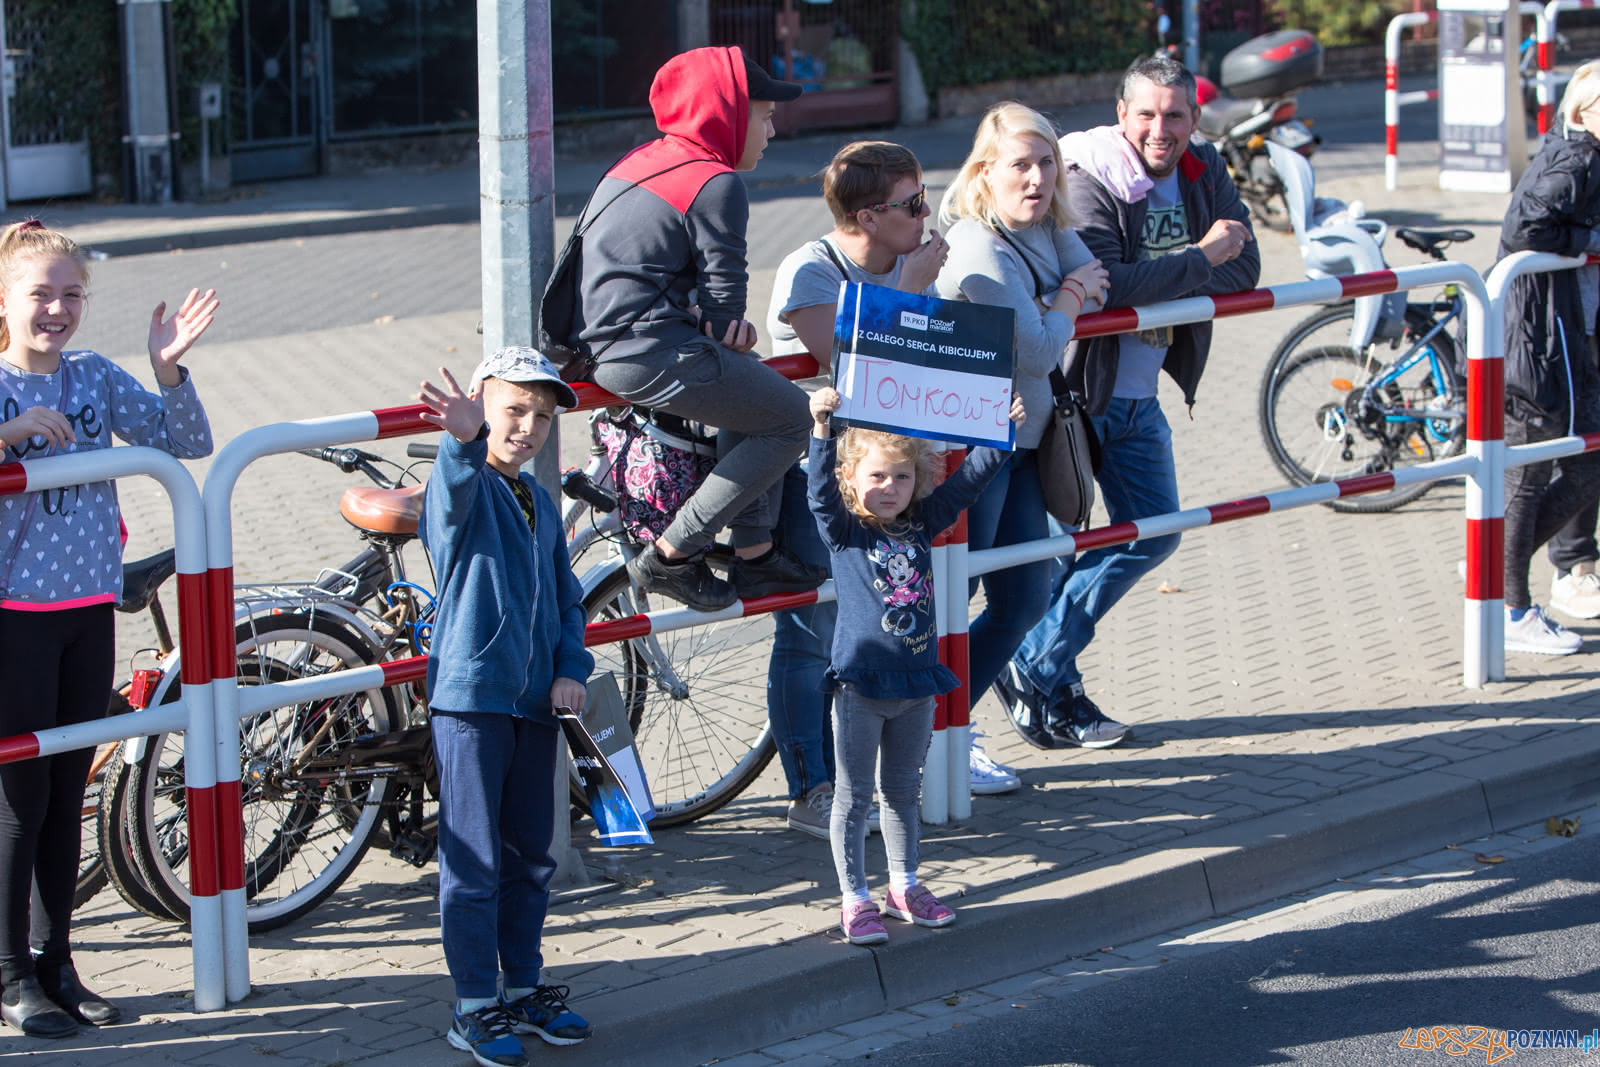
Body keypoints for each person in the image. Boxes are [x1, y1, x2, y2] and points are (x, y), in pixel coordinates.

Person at [996, 56, 1259, 747]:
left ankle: (1037, 664)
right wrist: (1201, 258)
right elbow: (1114, 282)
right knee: (1059, 550)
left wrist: (1181, 268)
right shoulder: (1087, 176)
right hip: (1082, 393)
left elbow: (1250, 263)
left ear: (1195, 119)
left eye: (1175, 114)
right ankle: (1043, 681)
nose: (1160, 129)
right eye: (1146, 113)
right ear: (1122, 115)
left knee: (1153, 530)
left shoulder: (1202, 167)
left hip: (1142, 396)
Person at [766, 140, 1023, 833]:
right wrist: (907, 293)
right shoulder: (812, 270)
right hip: (820, 476)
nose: (926, 214)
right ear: (869, 216)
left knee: (904, 614)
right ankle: (811, 788)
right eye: (913, 204)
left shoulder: (911, 264)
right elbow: (845, 365)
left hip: (897, 480)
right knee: (811, 628)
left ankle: (896, 777)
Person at [0, 219, 216, 1038]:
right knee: (19, 799)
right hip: (14, 615)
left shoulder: (90, 375)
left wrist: (167, 370)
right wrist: (9, 437)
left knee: (66, 794)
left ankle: (58, 962)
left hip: (87, 610)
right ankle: (11, 970)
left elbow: (186, 441)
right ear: (5, 301)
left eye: (71, 294)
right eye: (39, 294)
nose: (56, 309)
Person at [568, 45, 821, 613]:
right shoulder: (715, 181)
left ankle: (755, 556)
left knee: (753, 387)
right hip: (649, 351)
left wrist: (724, 330)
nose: (772, 130)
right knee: (794, 419)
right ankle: (673, 554)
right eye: (765, 115)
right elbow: (726, 313)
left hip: (606, 346)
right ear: (727, 112)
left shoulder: (640, 160)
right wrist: (731, 327)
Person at [414, 348, 595, 1067]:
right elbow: (449, 504)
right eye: (514, 409)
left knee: (531, 852)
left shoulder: (540, 502)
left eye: (541, 416)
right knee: (474, 858)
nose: (527, 426)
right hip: (471, 701)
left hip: (533, 704)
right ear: (485, 405)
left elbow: (567, 598)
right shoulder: (464, 485)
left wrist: (569, 666)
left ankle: (521, 983)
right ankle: (471, 1002)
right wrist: (461, 440)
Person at [807, 385, 1025, 945]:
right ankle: (854, 899)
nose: (889, 488)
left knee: (904, 791)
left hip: (917, 682)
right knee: (855, 799)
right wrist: (821, 431)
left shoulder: (922, 521)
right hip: (861, 686)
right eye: (877, 476)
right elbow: (818, 496)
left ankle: (903, 886)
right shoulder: (846, 531)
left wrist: (1002, 432)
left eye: (902, 477)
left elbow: (969, 482)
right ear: (852, 477)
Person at [934, 102, 1111, 749]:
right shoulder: (977, 245)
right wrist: (1064, 298)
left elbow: (1099, 276)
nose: (1036, 179)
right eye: (1020, 165)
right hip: (974, 450)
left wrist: (1047, 304)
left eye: (1047, 163)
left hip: (1029, 443)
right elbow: (1038, 350)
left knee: (1025, 599)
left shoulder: (1045, 224)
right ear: (984, 172)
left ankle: (945, 725)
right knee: (955, 596)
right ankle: (933, 737)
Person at [1493, 59, 1600, 654]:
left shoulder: (1586, 155)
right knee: (1527, 476)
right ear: (1585, 112)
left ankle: (1493, 568)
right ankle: (1510, 610)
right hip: (1538, 338)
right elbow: (1524, 226)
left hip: (1569, 335)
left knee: (1585, 464)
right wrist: (1590, 242)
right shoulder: (1576, 156)